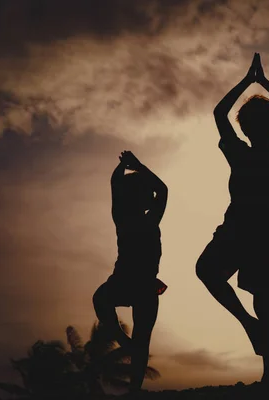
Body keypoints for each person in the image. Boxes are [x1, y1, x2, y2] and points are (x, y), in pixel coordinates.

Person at [196, 53, 269, 384]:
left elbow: (219, 112)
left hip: (245, 230)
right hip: (250, 232)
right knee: (263, 302)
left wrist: (250, 81)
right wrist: (262, 82)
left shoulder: (246, 153)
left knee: (255, 298)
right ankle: (265, 363)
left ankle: (261, 354)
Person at [93, 150, 168, 392]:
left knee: (141, 337)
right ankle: (126, 345)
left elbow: (119, 185)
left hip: (141, 283)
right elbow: (161, 190)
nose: (151, 196)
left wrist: (130, 166)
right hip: (130, 281)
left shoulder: (132, 219)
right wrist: (135, 166)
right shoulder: (133, 219)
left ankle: (134, 388)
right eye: (146, 193)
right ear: (140, 197)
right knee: (103, 302)